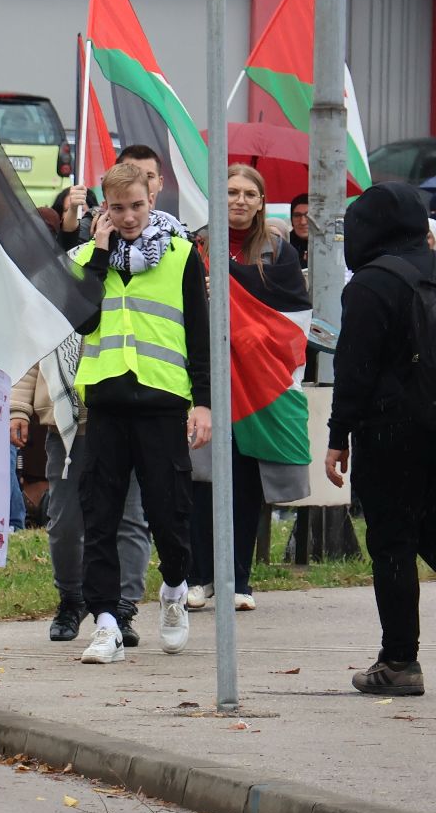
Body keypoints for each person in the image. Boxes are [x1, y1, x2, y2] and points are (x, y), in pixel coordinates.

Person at [70, 161, 209, 666]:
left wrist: (203, 403)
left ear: (152, 200)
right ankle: (106, 622)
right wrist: (99, 254)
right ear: (104, 209)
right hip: (106, 406)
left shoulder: (180, 254)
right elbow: (83, 321)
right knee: (99, 517)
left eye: (136, 206)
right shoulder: (86, 258)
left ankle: (174, 589)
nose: (128, 217)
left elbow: (199, 333)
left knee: (170, 515)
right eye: (117, 208)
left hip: (162, 403)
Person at [324, 181, 436, 697]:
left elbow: (355, 369)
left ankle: (398, 662)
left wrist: (338, 434)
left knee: (393, 543)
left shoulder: (371, 284)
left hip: (392, 431)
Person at [186, 165, 309, 614]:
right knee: (202, 482)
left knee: (244, 483)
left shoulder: (278, 252)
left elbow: (292, 317)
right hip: (205, 380)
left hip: (258, 385)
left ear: (261, 202)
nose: (239, 200)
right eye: (231, 191)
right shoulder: (195, 248)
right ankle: (199, 577)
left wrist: (229, 288)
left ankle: (238, 578)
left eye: (249, 194)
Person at [286, 192, 310, 266]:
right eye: (297, 215)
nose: (303, 222)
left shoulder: (331, 246)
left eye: (308, 215)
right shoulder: (282, 246)